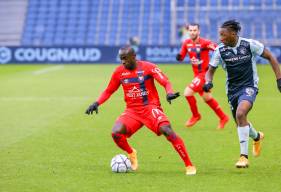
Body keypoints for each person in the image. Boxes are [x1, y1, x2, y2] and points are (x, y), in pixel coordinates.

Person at [85, 46, 197, 175]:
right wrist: (97, 103)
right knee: (116, 133)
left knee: (168, 130)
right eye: (121, 59)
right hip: (132, 111)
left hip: (150, 107)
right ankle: (131, 152)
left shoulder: (148, 67)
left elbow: (165, 82)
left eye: (125, 59)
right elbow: (109, 90)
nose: (123, 62)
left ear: (133, 57)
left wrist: (169, 92)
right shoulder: (119, 72)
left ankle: (189, 165)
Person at [203, 20, 281, 168]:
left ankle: (243, 157)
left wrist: (279, 79)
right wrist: (208, 82)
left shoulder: (249, 44)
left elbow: (271, 57)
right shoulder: (220, 51)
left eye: (223, 35)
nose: (220, 38)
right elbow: (210, 71)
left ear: (233, 34)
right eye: (220, 35)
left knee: (240, 114)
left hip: (249, 86)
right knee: (240, 121)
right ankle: (257, 136)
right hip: (232, 90)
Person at [176, 23, 229, 129]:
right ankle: (223, 117)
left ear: (198, 31)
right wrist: (179, 57)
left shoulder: (205, 43)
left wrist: (222, 54)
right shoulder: (186, 43)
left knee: (187, 92)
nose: (192, 32)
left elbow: (216, 49)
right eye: (190, 30)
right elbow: (181, 56)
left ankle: (196, 116)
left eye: (194, 30)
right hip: (196, 75)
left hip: (204, 74)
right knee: (207, 98)